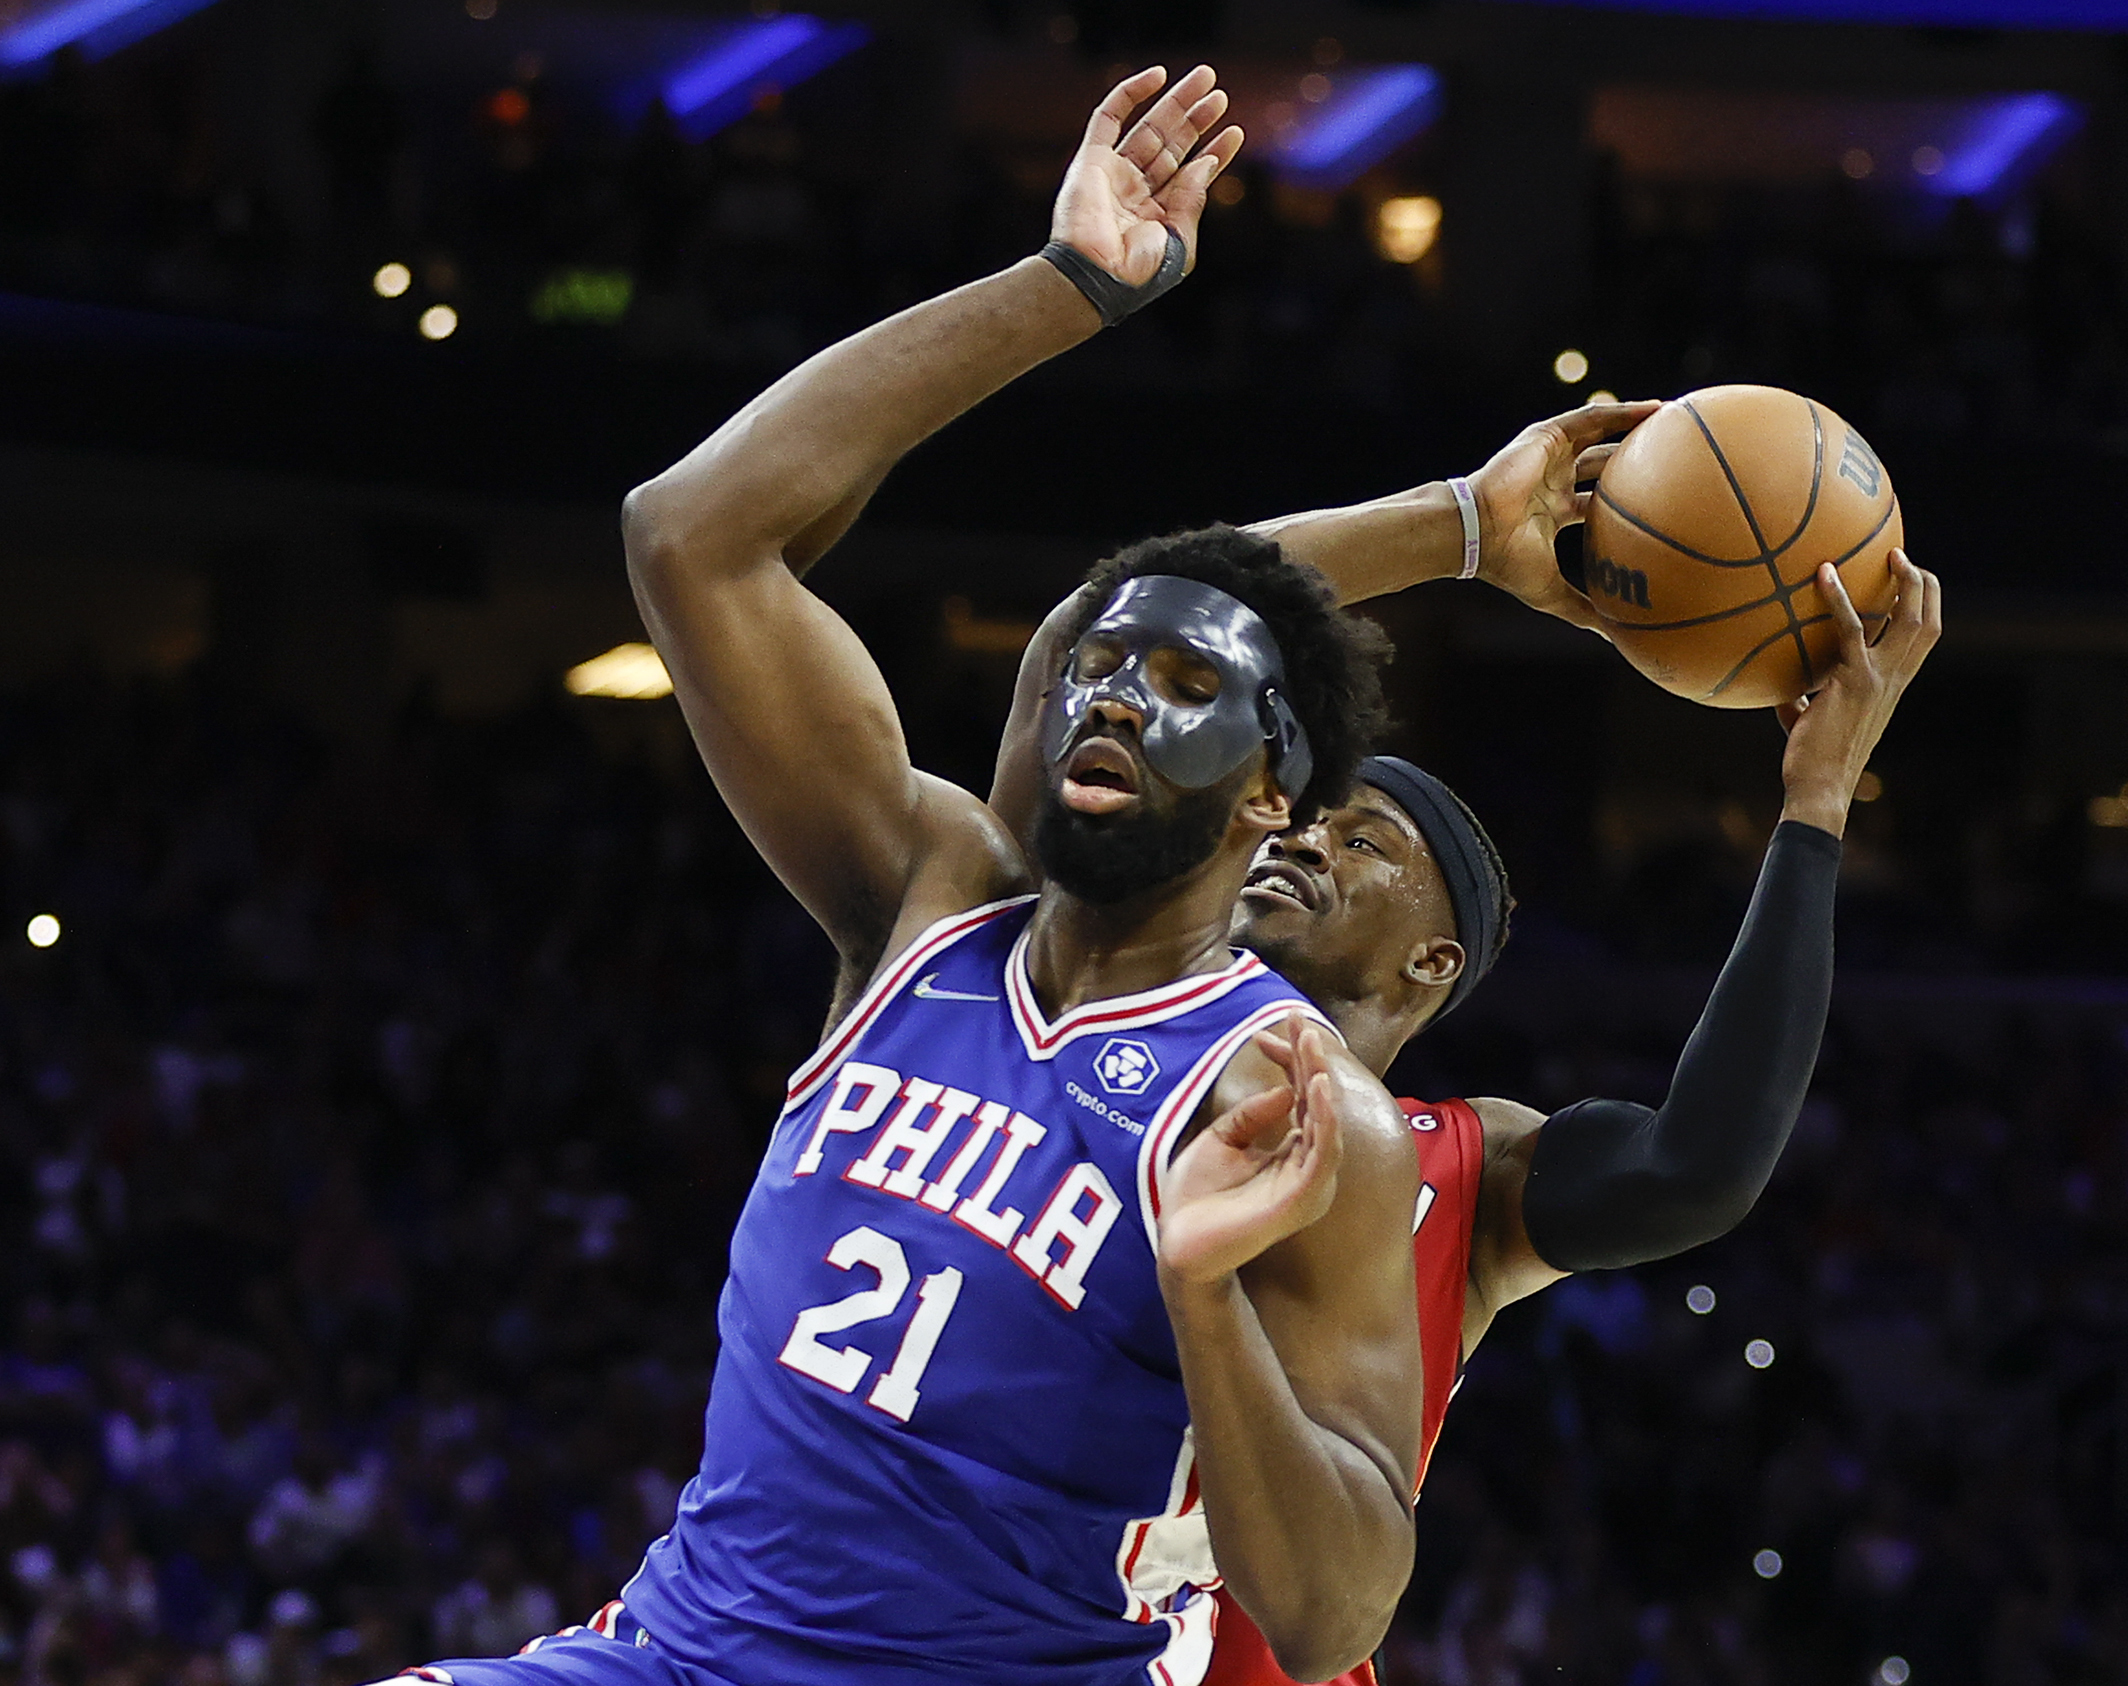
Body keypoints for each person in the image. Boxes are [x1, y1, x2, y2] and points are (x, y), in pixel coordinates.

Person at [387, 66, 1425, 1686]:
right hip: (675, 1657)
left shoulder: (1294, 1106)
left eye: (1186, 685)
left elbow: (1340, 1613)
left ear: (1271, 797)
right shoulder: (927, 897)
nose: (1116, 694)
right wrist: (1067, 285)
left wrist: (1211, 1293)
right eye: (1099, 665)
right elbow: (692, 535)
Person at [990, 402, 1945, 1686]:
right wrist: (1452, 529)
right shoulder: (1074, 1010)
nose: (1306, 835)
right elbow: (1101, 637)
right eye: (1312, 813)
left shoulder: (1461, 1167)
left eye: (1365, 838)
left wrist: (1815, 806)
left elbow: (1699, 1169)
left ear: (1433, 963)